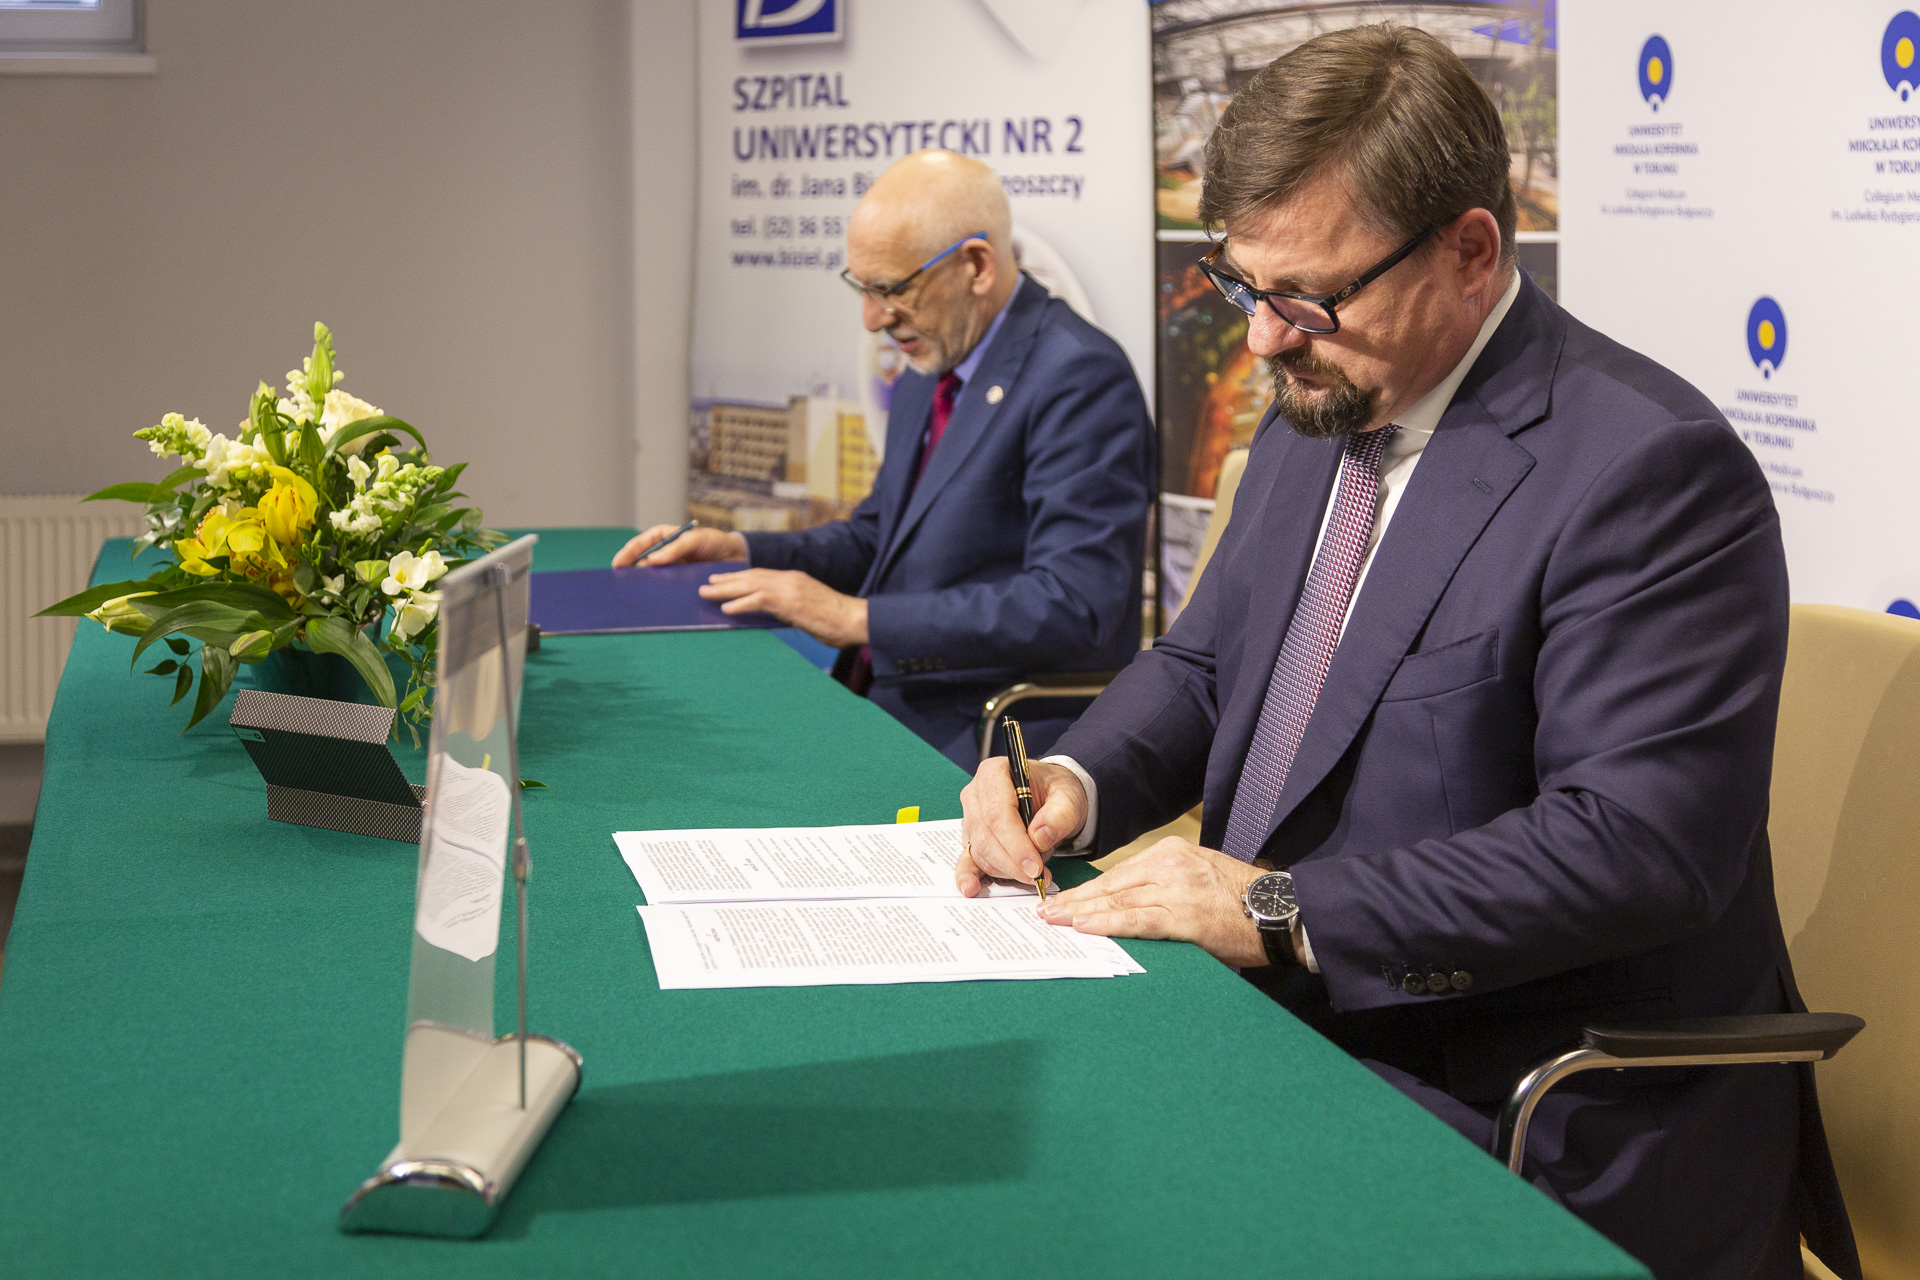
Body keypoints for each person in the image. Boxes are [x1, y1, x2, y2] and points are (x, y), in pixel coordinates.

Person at [955, 25, 1857, 1280]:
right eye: (1242, 287)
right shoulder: (1323, 408)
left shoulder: (1649, 471)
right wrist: (1073, 781)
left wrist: (1273, 907)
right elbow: (1209, 664)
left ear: (1471, 252)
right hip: (1286, 1017)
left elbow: (1633, 846)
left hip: (1521, 1096)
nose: (1263, 341)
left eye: (1306, 298)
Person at [614, 149, 1154, 769]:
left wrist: (858, 619)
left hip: (991, 730)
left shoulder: (1079, 375)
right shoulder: (931, 364)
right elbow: (879, 538)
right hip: (890, 696)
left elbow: (1074, 604)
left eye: (892, 290)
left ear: (976, 266)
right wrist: (741, 551)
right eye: (863, 288)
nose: (873, 319)